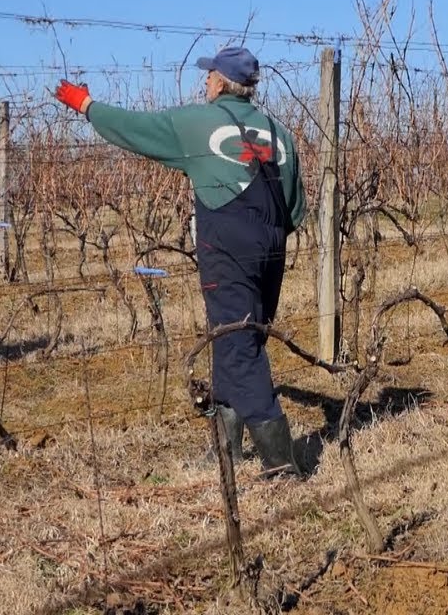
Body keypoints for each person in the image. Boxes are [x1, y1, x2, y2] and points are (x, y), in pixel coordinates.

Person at [52, 46, 307, 478]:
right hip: (272, 243)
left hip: (226, 244)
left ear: (221, 83)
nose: (205, 81)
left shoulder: (196, 123)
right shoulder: (279, 131)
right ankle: (227, 453)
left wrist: (87, 105)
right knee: (240, 337)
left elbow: (136, 129)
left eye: (209, 76)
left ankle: (282, 465)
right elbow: (296, 207)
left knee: (238, 346)